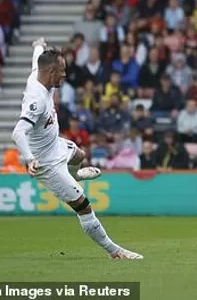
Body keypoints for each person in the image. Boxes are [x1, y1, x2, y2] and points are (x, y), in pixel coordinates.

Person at [11, 38, 142, 260]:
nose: (64, 75)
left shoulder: (39, 73)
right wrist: (29, 158)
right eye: (61, 71)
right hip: (45, 163)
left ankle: (77, 175)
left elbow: (37, 59)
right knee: (83, 205)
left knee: (79, 155)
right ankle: (114, 251)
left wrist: (38, 46)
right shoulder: (36, 100)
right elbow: (17, 132)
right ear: (51, 71)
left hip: (56, 145)